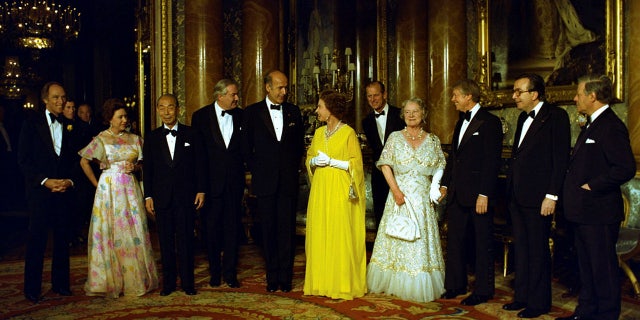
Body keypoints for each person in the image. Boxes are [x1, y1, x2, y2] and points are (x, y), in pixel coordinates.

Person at [557, 75, 636, 320]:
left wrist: (593, 185)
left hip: (599, 212)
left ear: (592, 96)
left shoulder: (611, 126)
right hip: (584, 211)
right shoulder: (591, 123)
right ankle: (586, 312)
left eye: (578, 94)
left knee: (602, 269)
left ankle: (606, 315)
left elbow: (625, 168)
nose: (575, 98)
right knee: (587, 266)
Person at [503, 73, 570, 318]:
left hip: (540, 197)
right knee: (522, 249)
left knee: (538, 250)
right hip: (517, 196)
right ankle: (521, 297)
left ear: (535, 94)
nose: (514, 96)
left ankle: (539, 303)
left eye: (519, 91)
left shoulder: (557, 117)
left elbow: (560, 159)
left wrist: (551, 196)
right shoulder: (522, 118)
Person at [367, 97, 446, 303]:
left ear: (423, 114)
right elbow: (385, 165)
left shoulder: (432, 140)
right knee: (396, 236)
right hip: (398, 196)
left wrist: (436, 186)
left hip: (421, 199)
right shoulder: (394, 137)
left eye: (415, 111)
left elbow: (440, 165)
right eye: (407, 112)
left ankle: (417, 282)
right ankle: (393, 280)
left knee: (419, 241)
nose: (411, 115)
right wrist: (396, 191)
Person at [79, 98, 158, 298]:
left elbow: (144, 164)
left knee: (132, 231)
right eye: (120, 116)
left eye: (125, 116)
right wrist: (98, 184)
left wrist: (136, 167)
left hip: (130, 189)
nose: (124, 120)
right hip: (109, 190)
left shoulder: (135, 139)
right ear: (110, 119)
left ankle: (134, 278)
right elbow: (84, 162)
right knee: (110, 231)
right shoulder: (101, 139)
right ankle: (106, 279)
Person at [439, 79, 503, 306]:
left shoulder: (490, 122)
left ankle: (483, 291)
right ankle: (455, 285)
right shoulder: (459, 122)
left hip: (478, 196)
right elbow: (454, 159)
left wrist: (484, 194)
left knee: (481, 242)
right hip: (457, 194)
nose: (452, 99)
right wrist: (445, 184)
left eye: (456, 95)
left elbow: (491, 162)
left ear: (469, 97)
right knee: (455, 241)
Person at [242, 70, 305, 293]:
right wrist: (258, 170)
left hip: (288, 181)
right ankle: (272, 277)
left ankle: (285, 278)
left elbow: (299, 147)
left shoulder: (293, 111)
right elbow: (246, 148)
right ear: (267, 87)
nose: (284, 92)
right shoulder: (251, 113)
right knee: (267, 230)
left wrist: (291, 169)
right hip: (265, 182)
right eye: (280, 87)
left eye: (286, 87)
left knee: (287, 231)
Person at [303, 90, 367, 300]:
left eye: (320, 106)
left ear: (330, 110)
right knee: (321, 233)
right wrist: (313, 162)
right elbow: (310, 157)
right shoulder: (319, 133)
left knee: (339, 234)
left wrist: (332, 162)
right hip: (320, 190)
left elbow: (356, 164)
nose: (317, 110)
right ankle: (321, 283)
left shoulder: (348, 133)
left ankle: (341, 284)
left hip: (339, 190)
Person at [17, 82, 77, 303]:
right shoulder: (31, 124)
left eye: (63, 97)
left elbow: (74, 161)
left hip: (64, 192)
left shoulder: (71, 125)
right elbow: (23, 160)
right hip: (40, 194)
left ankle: (61, 284)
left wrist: (69, 181)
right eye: (56, 97)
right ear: (45, 100)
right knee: (37, 241)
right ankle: (32, 289)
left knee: (63, 240)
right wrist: (45, 181)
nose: (61, 101)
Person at [143, 94, 206, 296]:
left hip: (186, 197)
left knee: (186, 241)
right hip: (162, 198)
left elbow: (200, 165)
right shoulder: (151, 138)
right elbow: (148, 170)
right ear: (158, 111)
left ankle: (188, 283)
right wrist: (148, 196)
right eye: (162, 108)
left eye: (170, 107)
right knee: (166, 242)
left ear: (178, 109)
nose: (166, 112)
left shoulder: (192, 134)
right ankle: (168, 284)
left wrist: (201, 190)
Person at [192, 79, 245, 288]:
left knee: (233, 229)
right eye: (233, 94)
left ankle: (230, 273)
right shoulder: (200, 117)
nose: (236, 98)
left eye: (236, 94)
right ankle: (215, 272)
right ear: (219, 96)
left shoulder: (242, 116)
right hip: (210, 186)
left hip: (234, 183)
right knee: (211, 229)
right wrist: (200, 188)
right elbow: (198, 157)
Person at [361, 81, 404, 226]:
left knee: (401, 214)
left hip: (400, 173)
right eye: (369, 96)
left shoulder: (400, 115)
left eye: (376, 95)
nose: (372, 99)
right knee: (380, 213)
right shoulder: (366, 121)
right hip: (378, 174)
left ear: (384, 94)